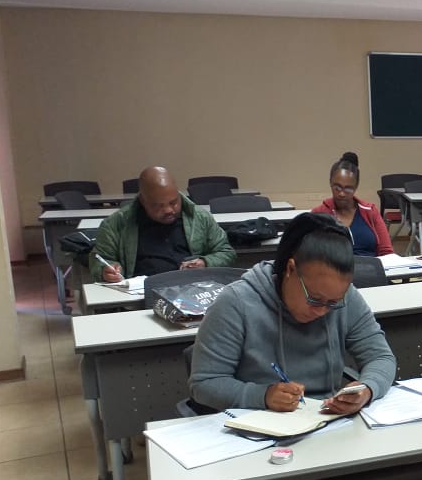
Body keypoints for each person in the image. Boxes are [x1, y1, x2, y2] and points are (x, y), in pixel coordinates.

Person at [189, 212, 396, 413]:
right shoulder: (236, 303)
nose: (322, 311)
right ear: (290, 269)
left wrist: (368, 388)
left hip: (326, 418)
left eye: (332, 303)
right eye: (314, 299)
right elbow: (205, 384)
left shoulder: (345, 297)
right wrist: (262, 396)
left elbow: (380, 357)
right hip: (259, 420)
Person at [90, 166, 235, 282]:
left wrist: (205, 262)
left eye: (173, 202)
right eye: (158, 206)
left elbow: (226, 252)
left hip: (193, 289)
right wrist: (105, 270)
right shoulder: (117, 224)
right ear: (142, 201)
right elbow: (99, 259)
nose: (168, 210)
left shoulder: (199, 217)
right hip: (142, 296)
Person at [312, 151, 394, 256]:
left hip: (371, 265)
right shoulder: (318, 214)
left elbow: (387, 252)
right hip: (334, 266)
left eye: (348, 189)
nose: (341, 193)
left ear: (356, 187)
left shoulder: (370, 211)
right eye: (337, 187)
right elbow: (310, 253)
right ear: (330, 183)